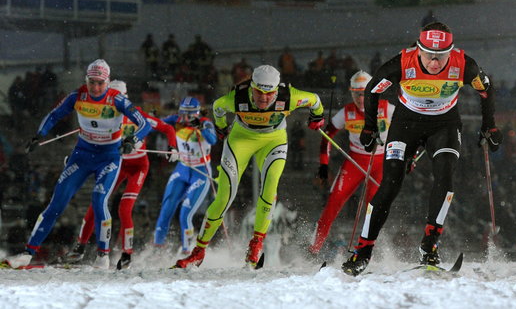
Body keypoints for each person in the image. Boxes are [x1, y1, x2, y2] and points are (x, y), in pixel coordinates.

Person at [341, 22, 503, 276]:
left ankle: (429, 244)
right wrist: (370, 128)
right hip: (406, 123)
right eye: (429, 56)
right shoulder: (402, 63)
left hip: (445, 124)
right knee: (391, 183)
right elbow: (372, 90)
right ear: (419, 50)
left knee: (446, 176)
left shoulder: (464, 65)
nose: (435, 63)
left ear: (451, 52)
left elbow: (486, 89)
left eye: (441, 57)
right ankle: (363, 251)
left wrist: (490, 126)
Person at [3, 59, 152, 269]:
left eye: (100, 82)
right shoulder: (78, 95)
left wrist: (132, 141)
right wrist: (39, 135)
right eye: (92, 82)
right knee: (56, 203)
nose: (96, 87)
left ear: (107, 82)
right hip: (82, 155)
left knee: (99, 200)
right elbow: (55, 114)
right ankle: (28, 253)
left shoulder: (116, 99)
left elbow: (144, 124)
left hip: (108, 156)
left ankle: (103, 255)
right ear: (87, 80)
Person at [174, 64, 325, 269]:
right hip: (241, 139)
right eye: (259, 92)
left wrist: (318, 116)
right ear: (252, 87)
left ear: (276, 90)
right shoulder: (238, 97)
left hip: (274, 140)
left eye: (269, 94)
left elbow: (315, 100)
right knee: (224, 196)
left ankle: (256, 246)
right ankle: (198, 251)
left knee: (270, 187)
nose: (263, 98)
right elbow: (217, 107)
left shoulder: (289, 96)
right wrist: (220, 128)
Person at [62, 80, 178, 270]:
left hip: (138, 166)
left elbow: (167, 128)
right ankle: (80, 246)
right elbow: (91, 143)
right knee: (97, 203)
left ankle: (127, 254)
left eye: (118, 97)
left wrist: (172, 147)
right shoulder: (105, 116)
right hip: (117, 164)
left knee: (124, 208)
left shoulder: (137, 114)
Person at [309, 71, 394, 256]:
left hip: (379, 163)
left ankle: (368, 251)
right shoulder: (346, 112)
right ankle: (313, 249)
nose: (360, 98)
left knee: (373, 208)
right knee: (333, 203)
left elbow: (407, 128)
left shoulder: (386, 108)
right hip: (354, 162)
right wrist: (324, 165)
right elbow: (327, 138)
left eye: (364, 93)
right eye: (356, 93)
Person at [153, 97, 217, 254]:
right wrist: (150, 118)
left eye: (190, 114)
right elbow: (156, 125)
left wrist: (201, 127)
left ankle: (188, 251)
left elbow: (213, 139)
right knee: (166, 209)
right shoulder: (176, 120)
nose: (186, 118)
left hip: (200, 173)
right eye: (183, 113)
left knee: (185, 213)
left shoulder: (205, 122)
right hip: (182, 170)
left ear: (197, 113)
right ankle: (157, 248)